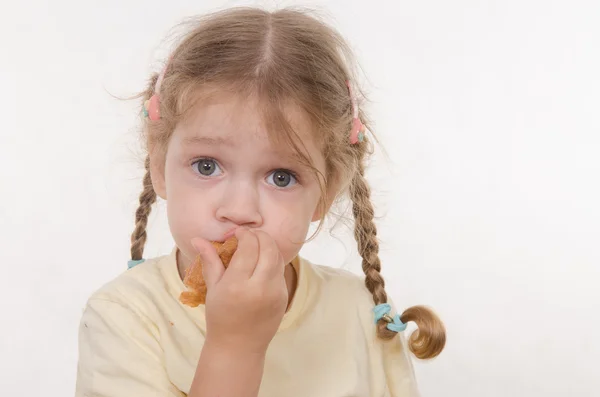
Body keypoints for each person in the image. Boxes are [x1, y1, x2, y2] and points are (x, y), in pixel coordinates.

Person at [75, 7, 446, 397]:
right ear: (159, 163)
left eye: (281, 177)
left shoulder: (356, 309)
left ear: (327, 190)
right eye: (206, 166)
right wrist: (234, 348)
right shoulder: (124, 317)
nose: (239, 209)